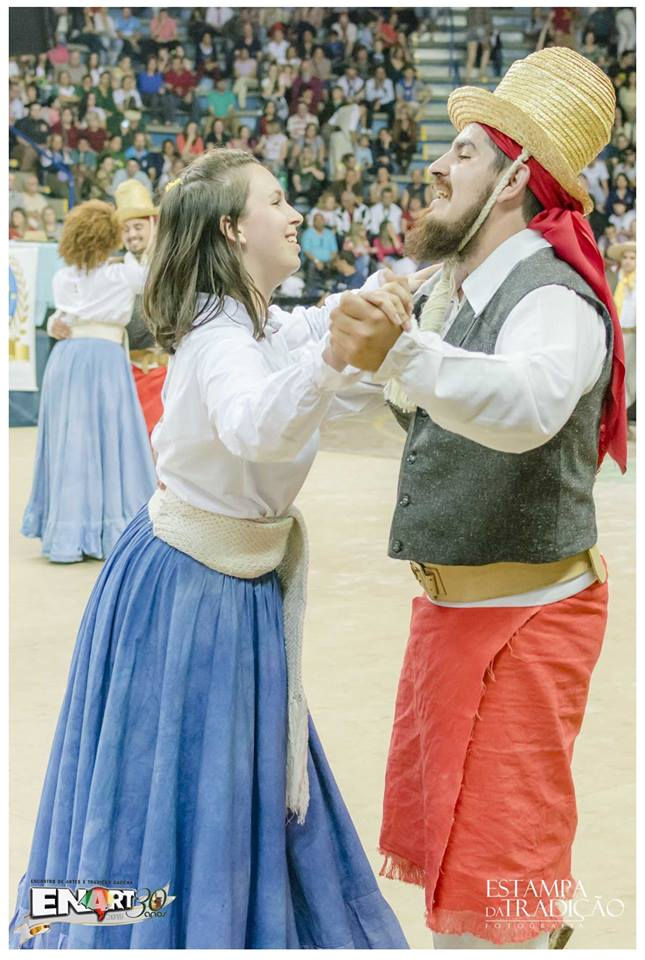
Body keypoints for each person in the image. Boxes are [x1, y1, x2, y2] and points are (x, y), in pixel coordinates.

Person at [9, 150, 430, 949]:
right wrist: (339, 352)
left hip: (220, 586)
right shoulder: (216, 335)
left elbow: (312, 329)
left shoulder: (254, 320)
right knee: (170, 785)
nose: (296, 212)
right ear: (234, 228)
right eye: (277, 200)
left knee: (208, 781)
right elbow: (254, 424)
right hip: (190, 591)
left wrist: (383, 296)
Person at [329, 47, 626, 949]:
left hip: (523, 622)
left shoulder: (553, 295)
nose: (437, 165)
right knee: (471, 873)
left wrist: (405, 355)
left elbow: (529, 407)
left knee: (495, 894)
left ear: (512, 180)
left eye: (461, 151)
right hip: (463, 614)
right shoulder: (465, 288)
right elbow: (440, 410)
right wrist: (390, 362)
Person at [20, 200, 156, 563]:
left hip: (66, 359)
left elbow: (62, 318)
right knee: (109, 438)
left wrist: (52, 325)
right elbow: (154, 277)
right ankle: (109, 526)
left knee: (72, 440)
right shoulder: (123, 274)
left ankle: (67, 530)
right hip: (104, 359)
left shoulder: (62, 277)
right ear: (109, 235)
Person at [114, 180, 167, 437]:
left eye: (138, 227)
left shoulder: (170, 267)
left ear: (152, 225)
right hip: (129, 378)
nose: (132, 235)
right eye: (126, 230)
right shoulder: (113, 272)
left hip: (169, 378)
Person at [607, 241, 636, 423]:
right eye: (625, 257)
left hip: (634, 334)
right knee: (618, 377)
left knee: (632, 378)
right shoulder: (617, 279)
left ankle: (623, 418)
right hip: (619, 334)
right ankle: (619, 420)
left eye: (632, 258)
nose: (628, 261)